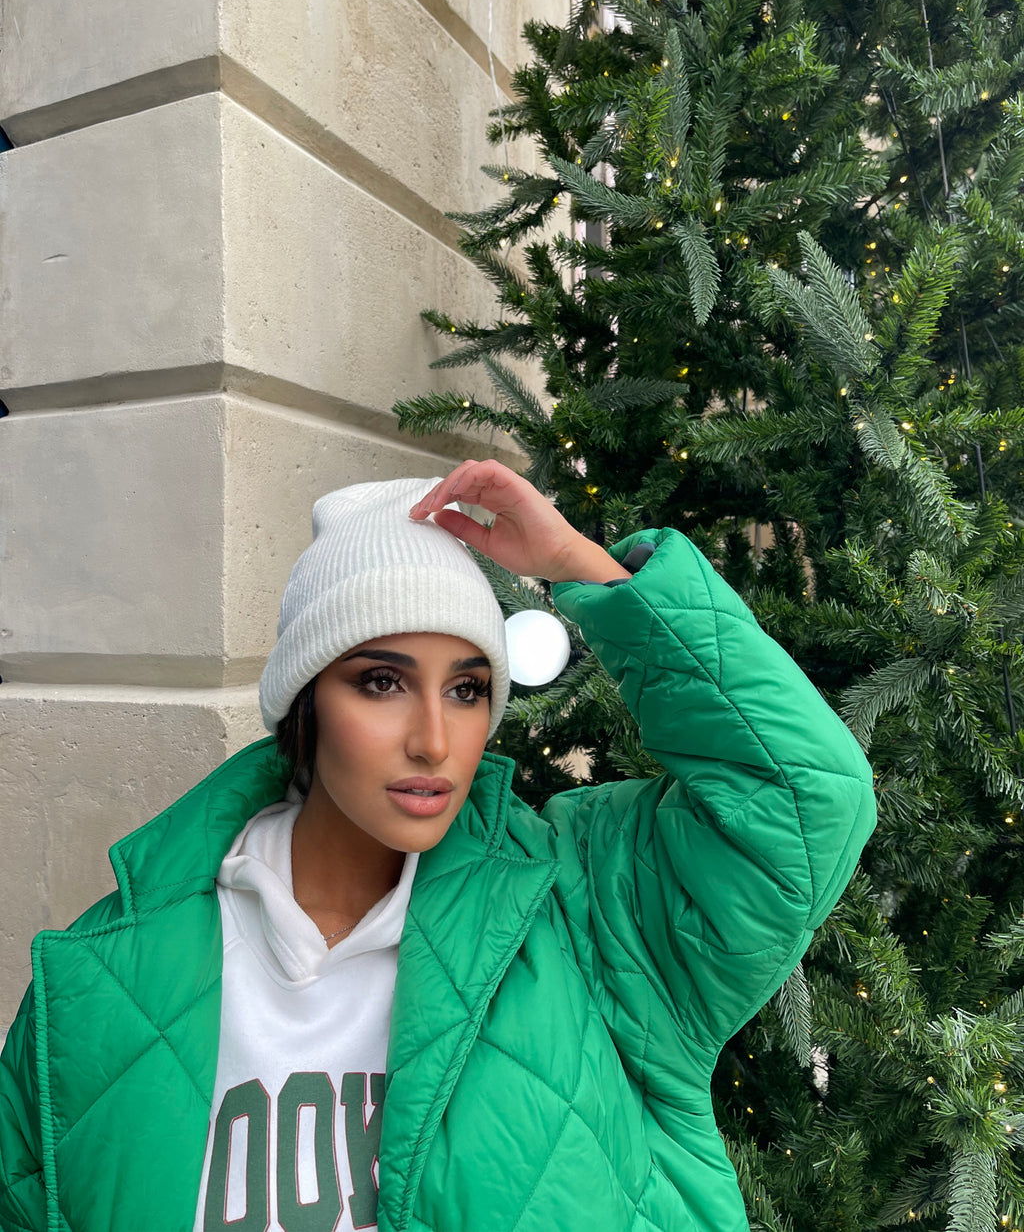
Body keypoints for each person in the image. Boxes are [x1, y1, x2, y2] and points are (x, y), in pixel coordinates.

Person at [0, 459, 876, 1232]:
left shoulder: (588, 915)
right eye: (381, 681)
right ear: (306, 701)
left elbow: (803, 801)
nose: (433, 740)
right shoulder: (92, 992)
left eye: (466, 688)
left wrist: (585, 571)